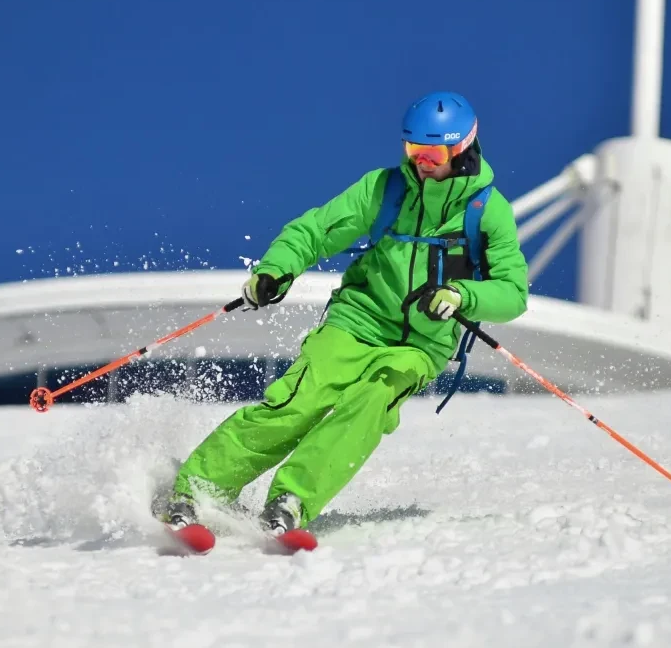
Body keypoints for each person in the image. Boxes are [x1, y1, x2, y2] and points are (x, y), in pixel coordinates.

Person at [154, 91, 529, 534]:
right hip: (358, 320)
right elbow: (315, 230)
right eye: (413, 149)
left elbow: (513, 292)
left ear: (462, 148)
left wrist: (463, 296)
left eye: (433, 152)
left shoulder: (488, 212)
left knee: (370, 402)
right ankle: (195, 489)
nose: (421, 161)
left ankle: (292, 499)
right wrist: (276, 271)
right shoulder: (386, 189)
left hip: (420, 345)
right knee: (298, 401)